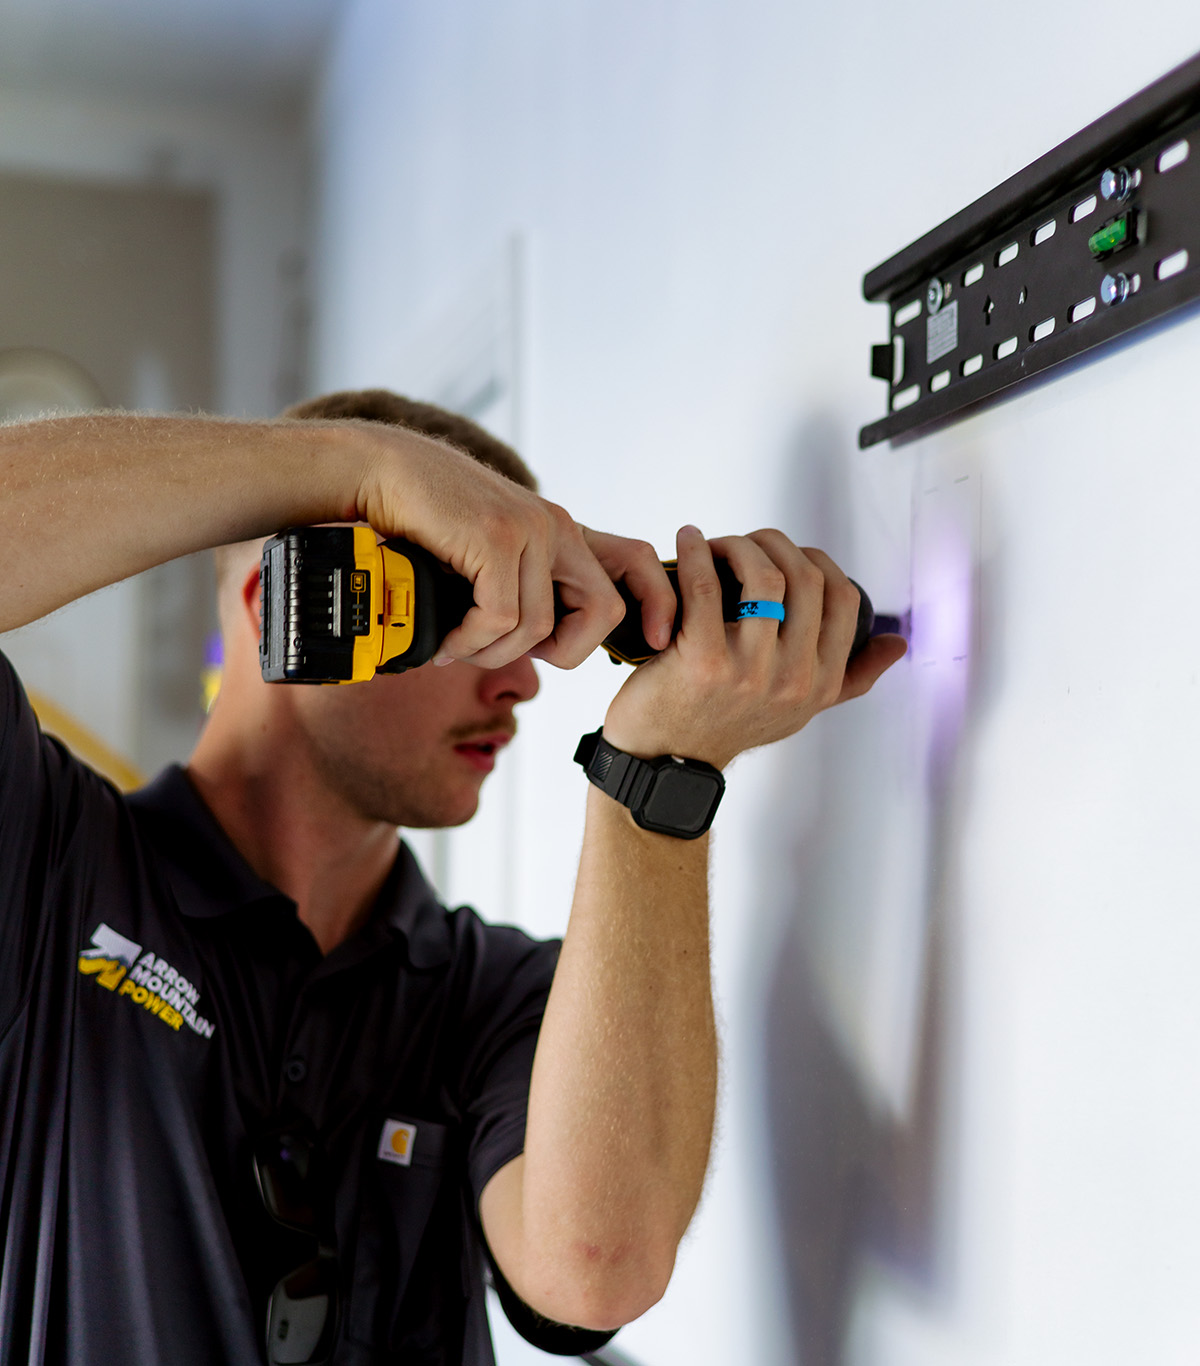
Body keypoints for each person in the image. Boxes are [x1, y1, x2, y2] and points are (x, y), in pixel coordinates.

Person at [0, 390, 906, 1365]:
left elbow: (593, 1270)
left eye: (531, 631)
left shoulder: (498, 996)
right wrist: (359, 466)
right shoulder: (48, 864)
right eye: (473, 614)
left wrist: (656, 774)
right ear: (287, 606)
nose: (521, 681)